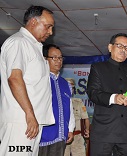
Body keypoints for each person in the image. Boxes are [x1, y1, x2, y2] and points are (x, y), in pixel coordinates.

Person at [0, 6, 55, 156]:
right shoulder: (19, 42)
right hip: (21, 121)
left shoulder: (34, 46)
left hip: (31, 121)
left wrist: (33, 117)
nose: (50, 32)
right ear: (33, 22)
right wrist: (29, 114)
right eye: (48, 26)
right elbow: (14, 79)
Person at [87, 33, 127, 156]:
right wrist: (113, 98)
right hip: (103, 131)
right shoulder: (98, 68)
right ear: (110, 47)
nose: (123, 50)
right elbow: (93, 92)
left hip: (125, 132)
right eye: (120, 46)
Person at [38, 44, 75, 156]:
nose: (58, 61)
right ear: (45, 59)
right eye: (54, 57)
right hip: (41, 135)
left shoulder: (66, 84)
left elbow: (69, 108)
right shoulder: (39, 79)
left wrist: (71, 129)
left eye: (60, 58)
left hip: (61, 135)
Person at [64, 78, 90, 156]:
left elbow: (86, 118)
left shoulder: (78, 102)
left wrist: (87, 130)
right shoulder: (58, 102)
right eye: (68, 86)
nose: (70, 89)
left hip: (77, 137)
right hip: (63, 138)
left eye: (72, 87)